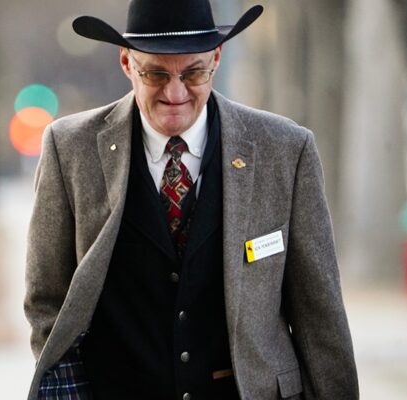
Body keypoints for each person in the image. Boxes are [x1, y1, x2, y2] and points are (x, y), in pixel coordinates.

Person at [24, 0, 359, 399]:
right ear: (127, 63)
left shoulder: (285, 150)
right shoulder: (69, 148)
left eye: (193, 72)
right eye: (155, 73)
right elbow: (46, 299)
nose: (175, 92)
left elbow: (320, 313)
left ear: (216, 59)